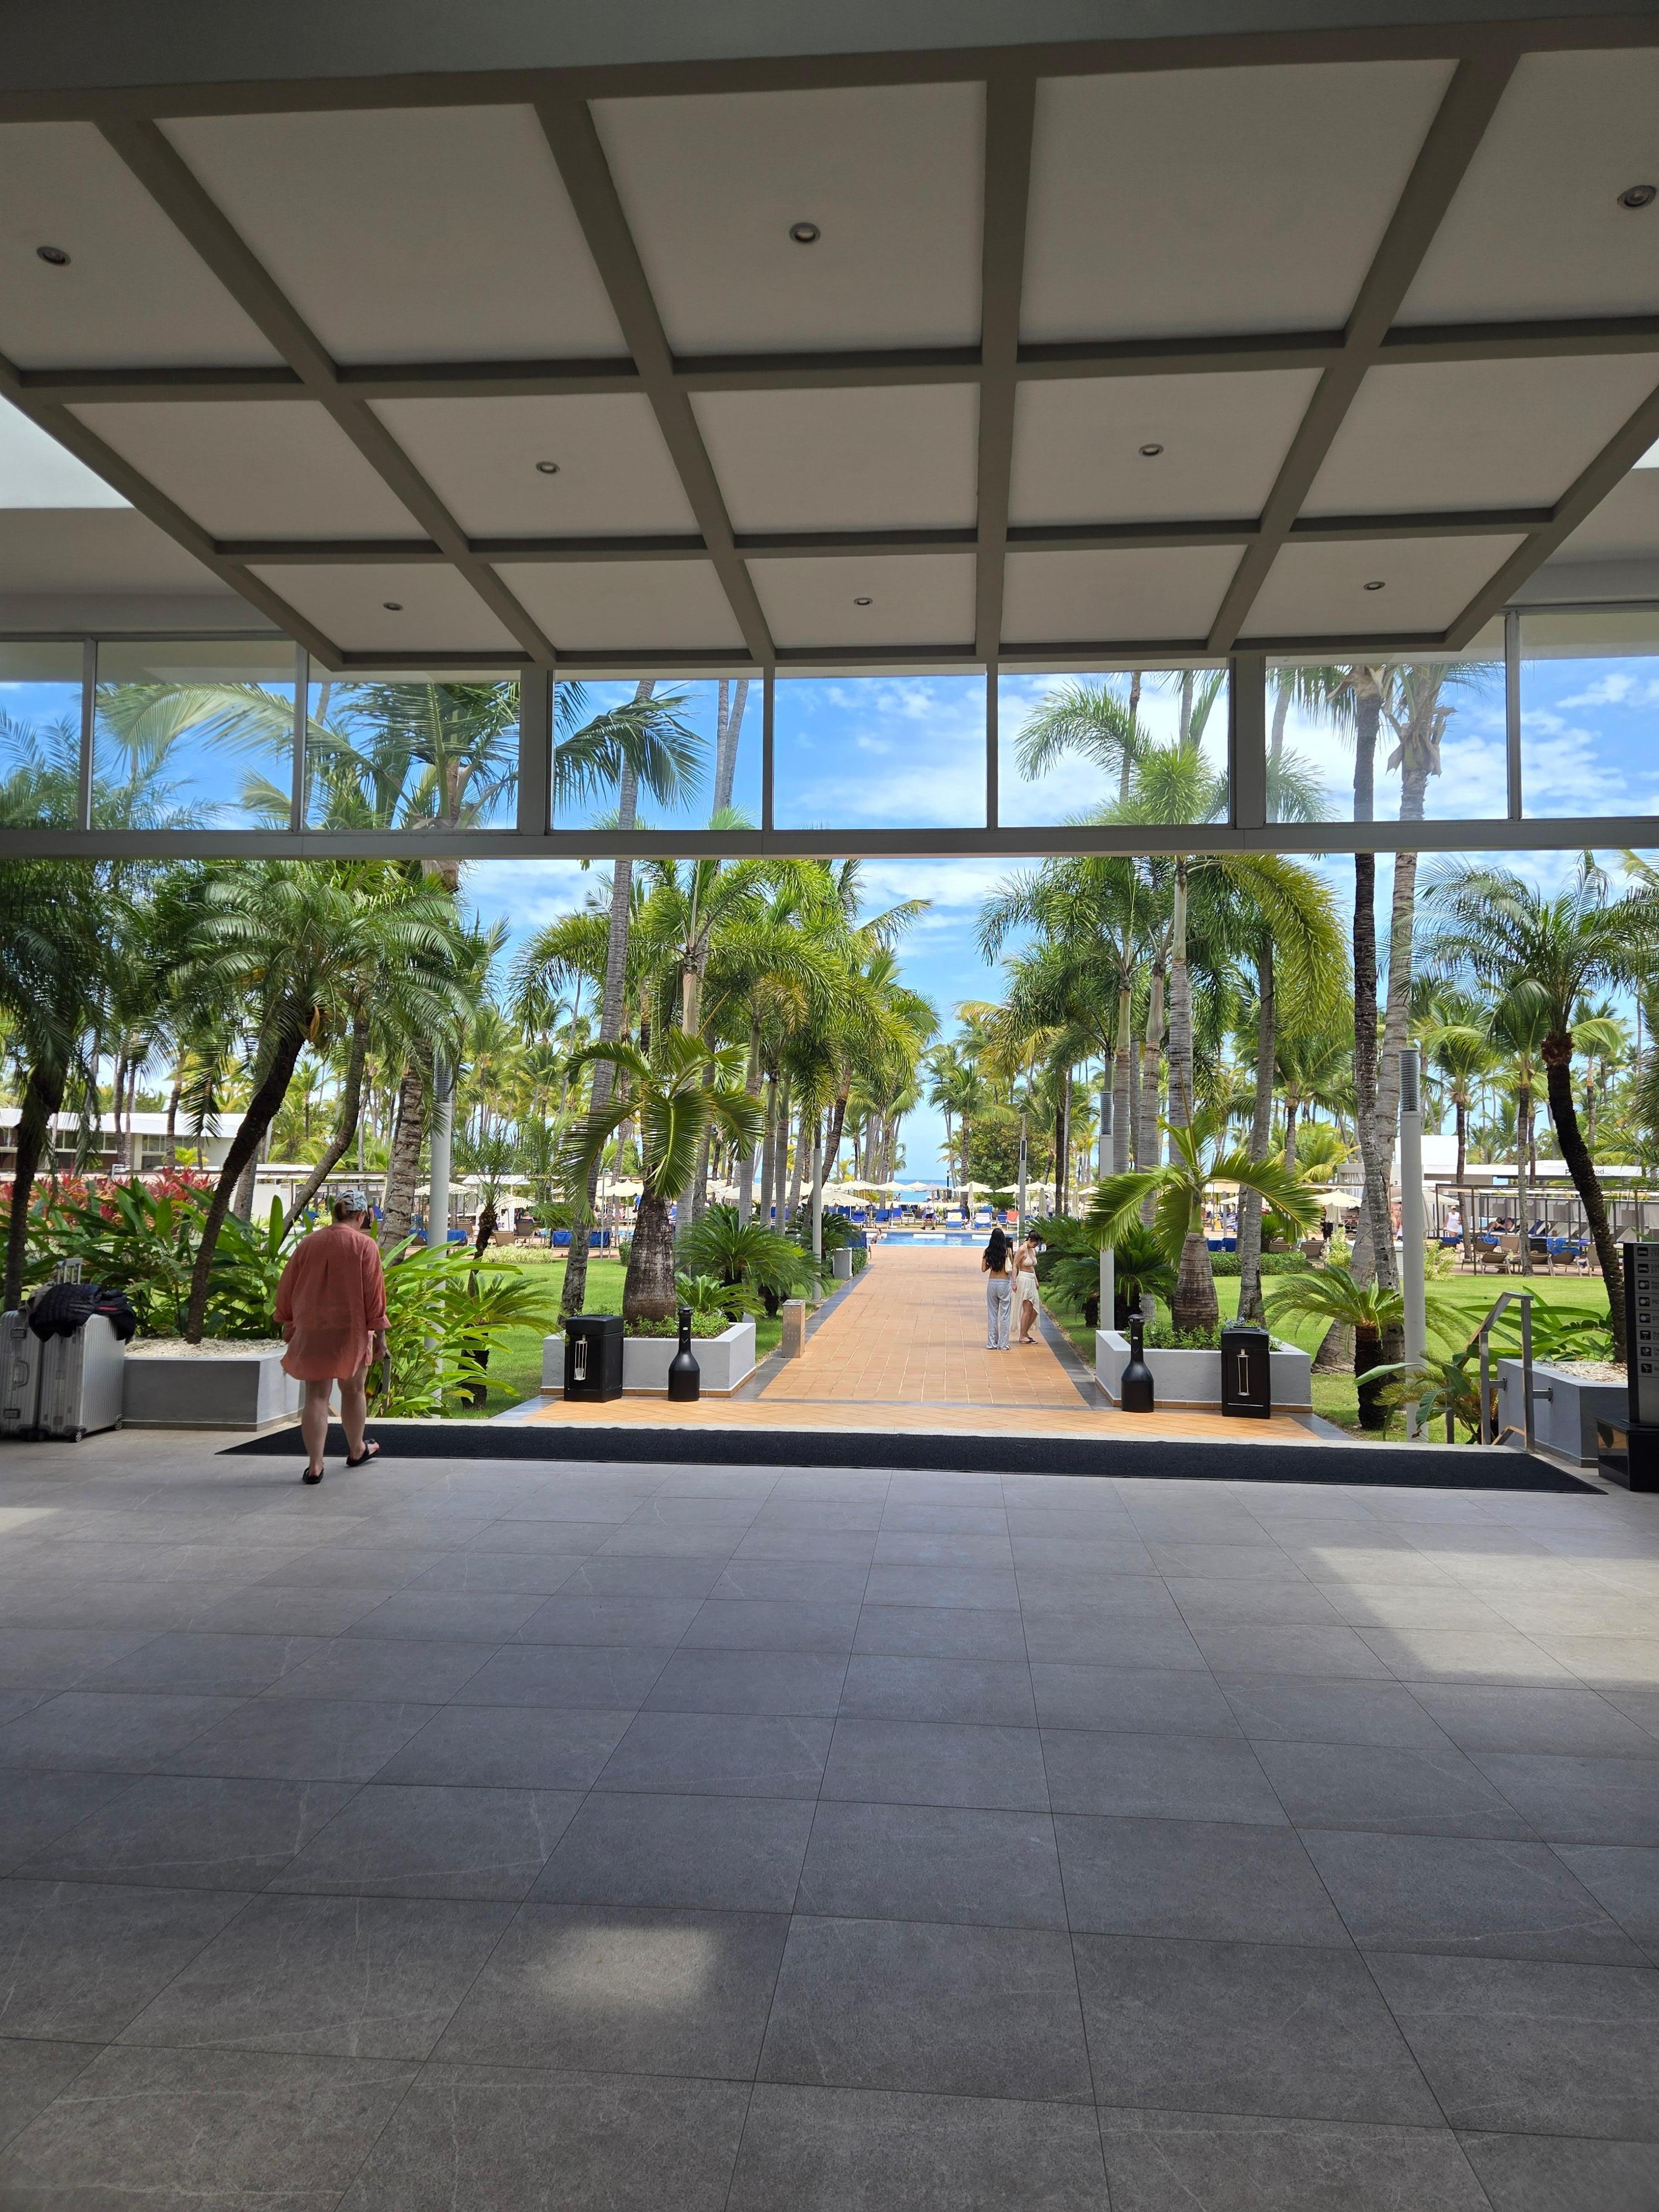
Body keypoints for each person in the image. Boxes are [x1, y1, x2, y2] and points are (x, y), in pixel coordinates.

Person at [275, 1190, 388, 1485]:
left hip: (312, 1328)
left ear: (335, 1213)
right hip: (351, 1329)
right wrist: (380, 1336)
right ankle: (356, 1449)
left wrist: (288, 1321)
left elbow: (287, 1286)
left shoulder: (308, 1244)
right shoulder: (365, 1245)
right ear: (362, 1216)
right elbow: (374, 1297)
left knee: (316, 1396)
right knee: (354, 1390)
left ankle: (315, 1466)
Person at [982, 1224, 1013, 1350]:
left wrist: (991, 1263)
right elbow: (1010, 1266)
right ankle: (1003, 1344)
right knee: (1005, 1314)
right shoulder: (1008, 1251)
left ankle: (992, 1343)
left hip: (992, 1283)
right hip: (1005, 1283)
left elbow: (984, 1269)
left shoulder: (987, 1252)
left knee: (992, 1314)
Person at [1012, 1233, 1041, 1345]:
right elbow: (1015, 1265)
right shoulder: (1022, 1250)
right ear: (1029, 1240)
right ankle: (1023, 1336)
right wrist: (1014, 1282)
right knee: (1028, 1308)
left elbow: (1032, 1267)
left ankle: (1025, 1332)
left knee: (1035, 1310)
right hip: (1023, 1279)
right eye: (1034, 1243)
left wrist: (1036, 1280)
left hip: (1031, 1279)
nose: (1035, 1246)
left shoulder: (1033, 1250)